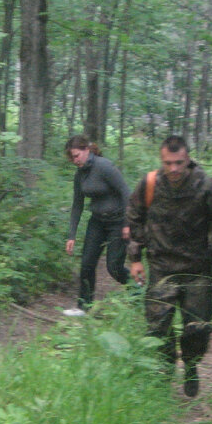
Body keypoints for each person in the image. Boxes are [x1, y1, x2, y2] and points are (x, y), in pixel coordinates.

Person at [127, 135, 212, 397]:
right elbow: (134, 218)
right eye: (168, 163)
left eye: (179, 163)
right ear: (161, 160)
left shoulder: (206, 186)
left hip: (197, 270)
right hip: (161, 267)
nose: (174, 169)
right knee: (157, 328)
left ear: (188, 159)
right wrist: (135, 259)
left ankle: (191, 365)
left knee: (198, 329)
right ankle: (165, 370)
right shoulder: (150, 184)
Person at [63, 135, 131, 316]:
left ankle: (139, 292)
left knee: (114, 267)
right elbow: (77, 205)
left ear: (86, 150)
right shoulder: (80, 175)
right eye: (72, 158)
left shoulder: (104, 166)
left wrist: (127, 223)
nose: (75, 160)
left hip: (118, 221)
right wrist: (71, 235)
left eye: (77, 155)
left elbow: (126, 192)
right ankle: (83, 306)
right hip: (97, 222)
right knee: (86, 263)